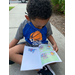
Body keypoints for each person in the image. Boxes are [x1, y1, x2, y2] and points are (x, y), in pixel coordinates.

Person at [9, 0, 58, 75]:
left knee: (54, 61)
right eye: (38, 26)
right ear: (28, 18)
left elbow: (49, 35)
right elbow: (16, 39)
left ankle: (28, 60)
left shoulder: (47, 23)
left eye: (43, 25)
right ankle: (40, 68)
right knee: (10, 53)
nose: (41, 27)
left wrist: (54, 44)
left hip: (42, 48)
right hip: (28, 45)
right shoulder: (24, 25)